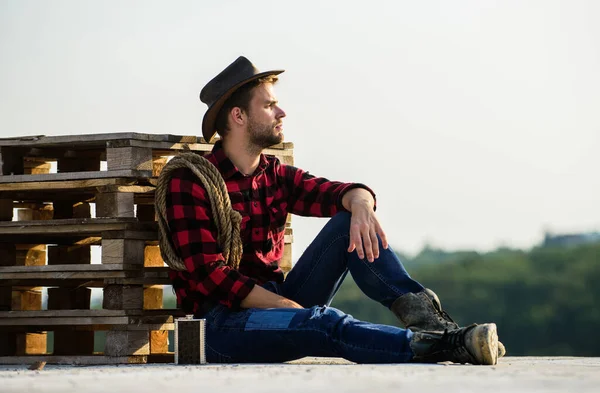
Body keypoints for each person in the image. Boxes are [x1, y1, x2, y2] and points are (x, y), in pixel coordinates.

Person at [163, 56, 502, 365]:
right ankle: (445, 346)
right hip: (223, 324)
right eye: (269, 106)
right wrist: (281, 306)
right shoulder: (191, 181)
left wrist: (360, 203)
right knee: (324, 322)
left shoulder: (275, 175)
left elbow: (337, 192)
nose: (282, 114)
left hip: (279, 299)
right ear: (239, 116)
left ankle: (433, 323)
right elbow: (209, 275)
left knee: (347, 223)